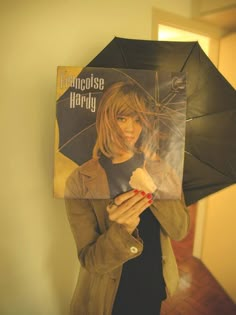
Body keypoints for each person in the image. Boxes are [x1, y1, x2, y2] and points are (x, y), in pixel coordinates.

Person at [65, 81, 189, 315]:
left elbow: (180, 229)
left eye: (138, 119)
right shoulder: (81, 180)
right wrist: (122, 230)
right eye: (122, 118)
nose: (130, 128)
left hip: (153, 285)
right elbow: (90, 260)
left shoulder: (162, 169)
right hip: (108, 297)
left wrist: (154, 186)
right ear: (106, 118)